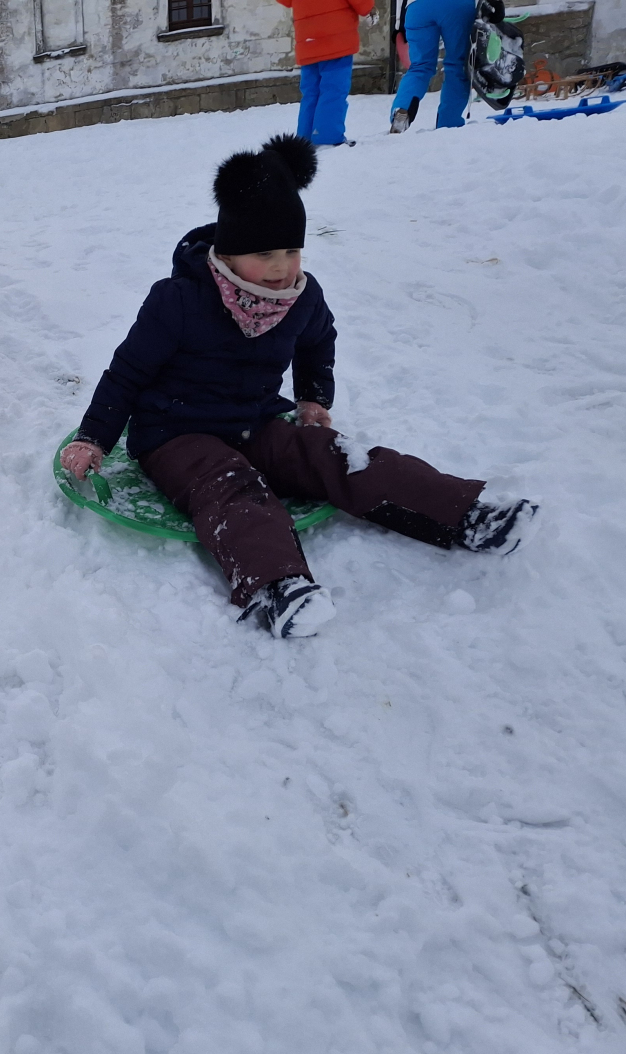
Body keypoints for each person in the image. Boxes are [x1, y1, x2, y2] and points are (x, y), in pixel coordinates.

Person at [60, 134, 537, 638]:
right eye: (264, 252)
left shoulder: (300, 297)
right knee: (229, 484)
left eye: (291, 250)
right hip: (174, 433)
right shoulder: (178, 301)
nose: (280, 266)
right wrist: (94, 437)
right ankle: (276, 585)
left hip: (255, 419)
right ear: (229, 252)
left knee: (334, 456)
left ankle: (463, 515)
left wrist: (313, 396)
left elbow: (317, 340)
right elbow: (127, 372)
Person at [278, 0, 375, 146]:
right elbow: (362, 4)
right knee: (333, 91)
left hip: (307, 40)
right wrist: (369, 8)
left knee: (311, 93)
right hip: (336, 38)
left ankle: (304, 140)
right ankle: (327, 139)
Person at [389, 0, 476, 131]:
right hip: (457, 6)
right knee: (458, 65)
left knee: (419, 67)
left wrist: (399, 24)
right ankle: (449, 123)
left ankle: (402, 109)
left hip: (418, 7)